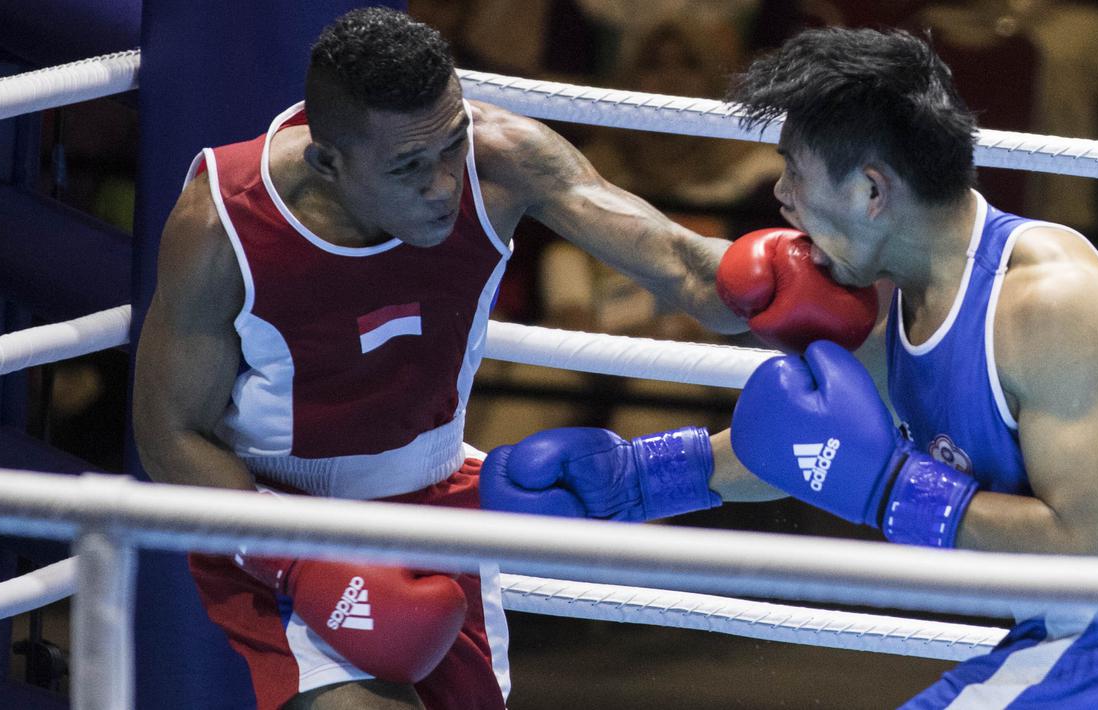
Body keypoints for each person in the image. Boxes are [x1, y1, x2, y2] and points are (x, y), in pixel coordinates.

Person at [130, 7, 877, 709]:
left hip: (438, 496)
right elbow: (170, 430)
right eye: (407, 167)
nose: (443, 184)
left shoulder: (502, 157)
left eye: (450, 142)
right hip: (278, 517)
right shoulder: (224, 218)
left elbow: (684, 269)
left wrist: (794, 276)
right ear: (327, 161)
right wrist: (289, 556)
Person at [481, 27, 1098, 708]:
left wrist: (889, 490)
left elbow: (1085, 550)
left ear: (871, 192)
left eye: (796, 169)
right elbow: (813, 445)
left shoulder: (1051, 305)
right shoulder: (900, 294)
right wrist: (635, 483)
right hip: (1063, 634)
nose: (781, 195)